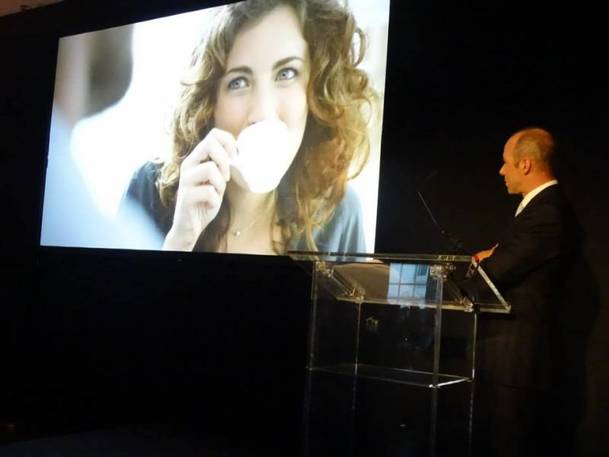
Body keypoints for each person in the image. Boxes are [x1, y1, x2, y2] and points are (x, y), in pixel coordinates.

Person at [120, 0, 377, 255]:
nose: (263, 114)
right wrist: (180, 240)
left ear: (315, 90)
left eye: (286, 74)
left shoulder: (339, 212)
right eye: (238, 82)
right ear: (209, 103)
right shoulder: (149, 189)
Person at [463, 127, 582, 456]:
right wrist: (493, 257)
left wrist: (486, 260)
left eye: (506, 162)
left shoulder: (546, 212)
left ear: (525, 164)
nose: (501, 170)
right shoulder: (539, 209)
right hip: (510, 359)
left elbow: (496, 272)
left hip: (518, 362)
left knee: (511, 442)